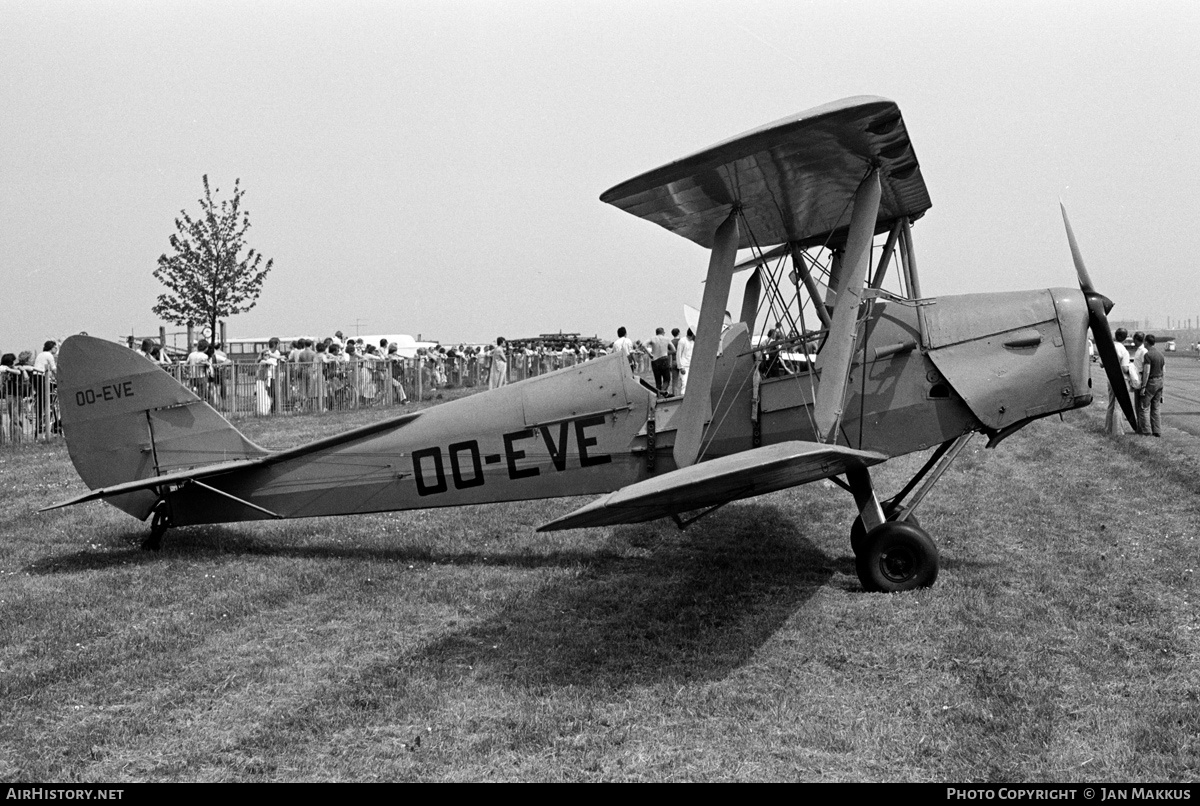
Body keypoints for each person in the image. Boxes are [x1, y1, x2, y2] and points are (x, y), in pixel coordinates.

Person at [1105, 327, 1136, 436]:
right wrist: (1131, 367)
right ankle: (1118, 431)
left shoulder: (1108, 347)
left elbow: (1101, 363)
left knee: (1111, 404)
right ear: (1125, 338)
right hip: (1121, 379)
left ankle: (1108, 429)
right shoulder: (1124, 351)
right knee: (1119, 406)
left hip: (1110, 378)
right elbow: (1124, 368)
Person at [1139, 334, 1165, 437]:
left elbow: (1147, 371)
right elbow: (1163, 371)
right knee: (1156, 407)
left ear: (1146, 342)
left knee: (1144, 407)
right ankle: (1157, 430)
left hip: (1151, 382)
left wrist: (1143, 386)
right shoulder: (1161, 355)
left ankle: (1146, 431)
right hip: (1160, 381)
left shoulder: (1148, 355)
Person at [647, 327, 674, 396]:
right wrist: (666, 352)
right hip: (664, 359)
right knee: (666, 379)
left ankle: (658, 394)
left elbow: (644, 345)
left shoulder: (652, 338)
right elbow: (674, 349)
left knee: (658, 381)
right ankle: (663, 391)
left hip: (655, 360)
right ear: (663, 332)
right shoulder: (667, 339)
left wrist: (650, 354)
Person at [1130, 332, 1147, 434]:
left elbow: (1145, 368)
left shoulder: (1143, 351)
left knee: (1140, 406)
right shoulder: (1138, 351)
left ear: (1137, 340)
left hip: (1140, 379)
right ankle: (1139, 426)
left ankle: (1141, 427)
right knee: (1137, 405)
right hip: (1136, 379)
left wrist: (1144, 384)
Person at [676, 328, 695, 395]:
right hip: (684, 366)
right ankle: (683, 397)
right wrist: (681, 367)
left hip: (691, 365)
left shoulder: (693, 342)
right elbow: (678, 354)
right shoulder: (682, 341)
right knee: (685, 383)